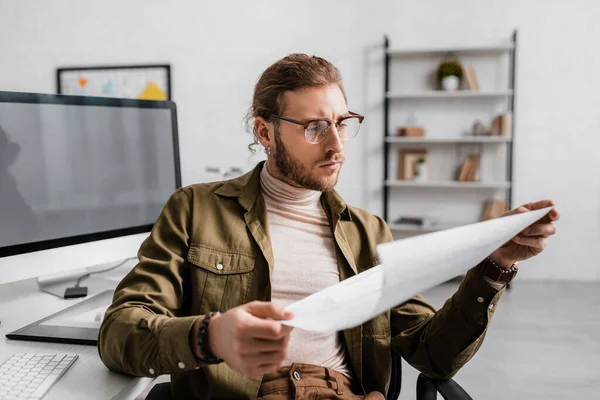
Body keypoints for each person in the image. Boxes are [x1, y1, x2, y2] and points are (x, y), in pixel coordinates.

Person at [98, 54, 560, 399]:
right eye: (316, 128)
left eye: (343, 123)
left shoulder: (368, 232)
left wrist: (496, 266)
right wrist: (210, 335)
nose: (337, 145)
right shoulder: (195, 209)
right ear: (265, 133)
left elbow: (433, 354)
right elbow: (120, 332)